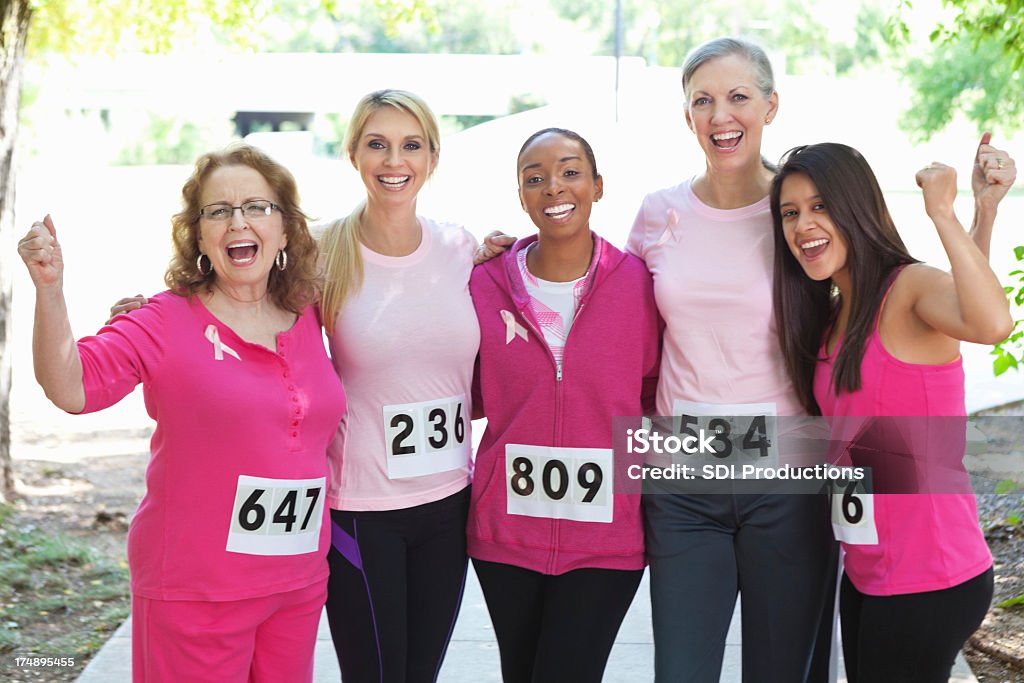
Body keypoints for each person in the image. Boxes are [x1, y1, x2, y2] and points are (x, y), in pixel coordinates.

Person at [17, 143, 346, 682]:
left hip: (297, 583)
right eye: (219, 211)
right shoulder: (163, 320)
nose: (238, 221)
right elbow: (70, 386)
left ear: (285, 229)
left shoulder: (308, 310)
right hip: (197, 592)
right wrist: (50, 289)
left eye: (257, 207)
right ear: (199, 236)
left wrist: (479, 257)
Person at [625, 37, 838, 682]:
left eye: (738, 97)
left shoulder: (800, 213)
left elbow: (879, 289)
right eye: (704, 101)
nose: (722, 116)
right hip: (684, 490)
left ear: (771, 106)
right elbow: (611, 311)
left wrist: (979, 216)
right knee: (682, 671)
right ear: (686, 116)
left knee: (783, 670)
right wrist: (505, 258)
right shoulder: (658, 213)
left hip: (788, 487)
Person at [771, 142, 1014, 683]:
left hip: (930, 574)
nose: (803, 225)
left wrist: (946, 212)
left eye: (820, 206)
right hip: (868, 571)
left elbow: (991, 323)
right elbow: (964, 306)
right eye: (790, 213)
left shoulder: (906, 288)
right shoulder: (836, 316)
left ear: (857, 206)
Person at [468, 128, 661, 682]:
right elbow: (470, 390)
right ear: (522, 196)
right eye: (536, 178)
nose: (554, 187)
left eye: (571, 171)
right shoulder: (483, 283)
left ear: (598, 186)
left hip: (606, 537)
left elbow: (653, 393)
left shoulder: (638, 285)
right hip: (505, 533)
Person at [317, 89, 496, 683]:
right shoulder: (320, 252)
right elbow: (242, 310)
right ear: (353, 154)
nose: (395, 161)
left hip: (448, 501)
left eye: (410, 145)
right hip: (362, 510)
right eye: (378, 144)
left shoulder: (460, 248)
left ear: (432, 158)